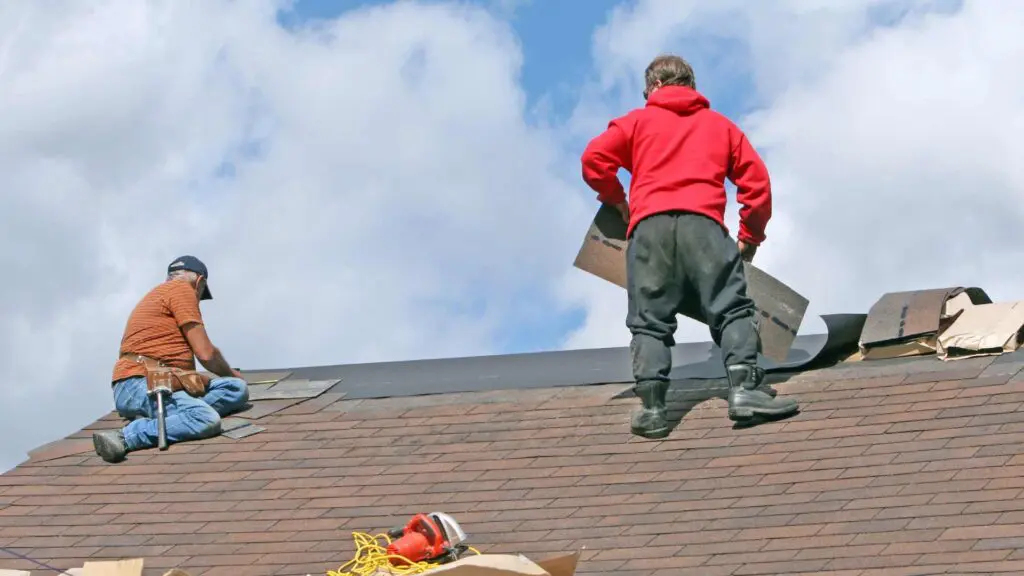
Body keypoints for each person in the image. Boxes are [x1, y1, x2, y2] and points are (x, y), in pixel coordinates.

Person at [580, 54, 799, 439]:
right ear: (691, 86)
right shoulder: (720, 126)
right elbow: (757, 184)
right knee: (731, 309)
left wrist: (617, 200)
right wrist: (750, 236)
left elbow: (593, 159)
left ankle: (652, 409)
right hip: (705, 228)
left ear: (653, 87)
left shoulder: (635, 123)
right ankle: (744, 390)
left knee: (649, 320)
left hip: (649, 230)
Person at [92, 256, 249, 462]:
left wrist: (232, 379)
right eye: (201, 293)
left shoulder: (162, 293)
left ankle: (174, 418)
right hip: (141, 382)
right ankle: (126, 436)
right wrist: (231, 373)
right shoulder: (182, 290)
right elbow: (206, 354)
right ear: (200, 282)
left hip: (159, 381)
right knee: (205, 419)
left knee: (235, 389)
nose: (198, 299)